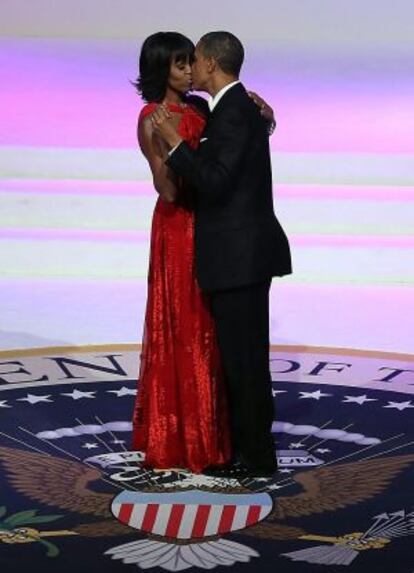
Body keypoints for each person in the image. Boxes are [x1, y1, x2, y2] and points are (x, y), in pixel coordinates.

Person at [131, 31, 276, 474]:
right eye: (179, 63)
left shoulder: (205, 108)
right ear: (163, 70)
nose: (188, 69)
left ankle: (226, 440)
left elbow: (233, 152)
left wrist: (264, 121)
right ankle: (185, 437)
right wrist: (167, 144)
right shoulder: (151, 117)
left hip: (218, 235)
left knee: (219, 343)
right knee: (187, 335)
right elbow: (169, 191)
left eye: (190, 60)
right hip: (181, 234)